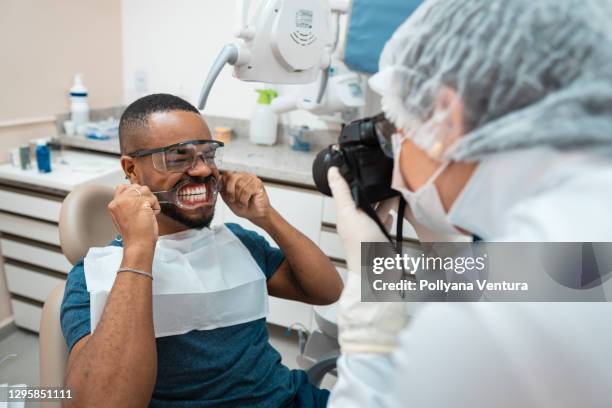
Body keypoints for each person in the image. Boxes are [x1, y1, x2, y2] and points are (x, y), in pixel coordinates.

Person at [326, 0, 612, 406]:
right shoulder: (587, 216)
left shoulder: (489, 328)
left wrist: (370, 329)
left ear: (446, 115)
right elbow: (567, 273)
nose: (397, 151)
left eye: (399, 125)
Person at [60, 93, 343, 407]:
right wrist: (139, 249)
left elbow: (327, 291)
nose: (203, 171)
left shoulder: (240, 242)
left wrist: (267, 218)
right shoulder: (91, 279)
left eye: (208, 156)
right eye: (178, 157)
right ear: (132, 169)